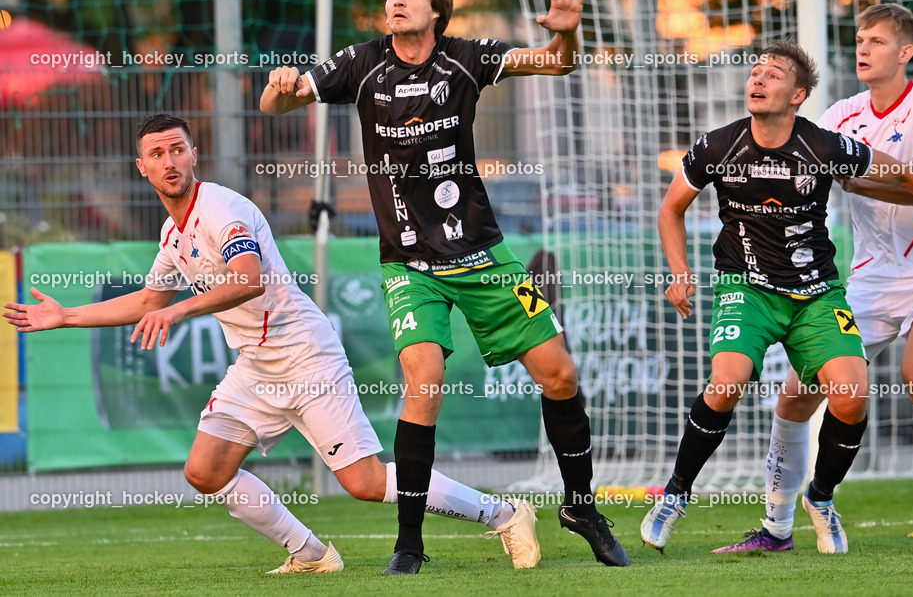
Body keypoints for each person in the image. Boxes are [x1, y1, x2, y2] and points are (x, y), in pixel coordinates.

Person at [3, 113, 540, 574]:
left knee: (365, 482)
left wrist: (181, 309)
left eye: (177, 149)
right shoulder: (174, 234)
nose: (169, 161)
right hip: (255, 367)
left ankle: (504, 515)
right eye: (155, 154)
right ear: (140, 169)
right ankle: (309, 553)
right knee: (205, 472)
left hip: (305, 356)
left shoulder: (220, 210)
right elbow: (147, 300)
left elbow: (247, 278)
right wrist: (66, 315)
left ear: (196, 155)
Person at [260, 0, 629, 573]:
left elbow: (556, 62)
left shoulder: (466, 57)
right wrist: (278, 86)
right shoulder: (361, 63)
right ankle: (409, 544)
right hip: (409, 263)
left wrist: (566, 35)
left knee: (560, 375)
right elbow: (279, 102)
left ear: (437, 11)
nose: (396, 1)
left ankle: (582, 509)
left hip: (485, 256)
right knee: (423, 383)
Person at [639, 40, 913, 554]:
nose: (759, 80)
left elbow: (900, 172)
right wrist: (679, 272)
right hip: (747, 287)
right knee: (728, 381)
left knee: (852, 397)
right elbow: (670, 208)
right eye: (755, 72)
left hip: (817, 293)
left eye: (774, 74)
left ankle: (822, 500)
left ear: (799, 94)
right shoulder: (717, 145)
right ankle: (675, 496)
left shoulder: (824, 146)